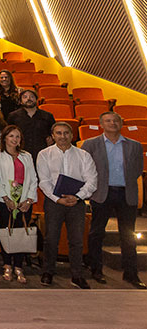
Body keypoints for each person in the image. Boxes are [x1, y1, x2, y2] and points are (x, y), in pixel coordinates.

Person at [83, 111, 146, 289]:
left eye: (115, 120)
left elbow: (137, 169)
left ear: (121, 123)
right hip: (102, 192)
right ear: (101, 124)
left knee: (128, 235)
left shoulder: (134, 145)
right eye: (108, 121)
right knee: (97, 233)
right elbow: (85, 168)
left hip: (126, 193)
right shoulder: (91, 144)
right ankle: (96, 269)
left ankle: (131, 274)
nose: (112, 123)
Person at [37, 122, 98, 289]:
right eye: (58, 133)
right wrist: (58, 199)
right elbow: (44, 181)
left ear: (72, 136)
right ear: (53, 136)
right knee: (51, 239)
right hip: (54, 202)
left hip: (77, 203)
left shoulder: (83, 155)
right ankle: (48, 272)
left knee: (77, 241)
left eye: (66, 133)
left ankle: (77, 275)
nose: (62, 136)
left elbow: (92, 180)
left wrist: (77, 197)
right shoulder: (44, 154)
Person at [0, 125, 37, 284]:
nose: (14, 139)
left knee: (20, 233)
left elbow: (33, 179)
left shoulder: (27, 156)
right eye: (11, 136)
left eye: (17, 136)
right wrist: (6, 199)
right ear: (4, 138)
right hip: (4, 201)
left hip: (24, 202)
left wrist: (29, 200)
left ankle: (19, 265)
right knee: (7, 232)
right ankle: (7, 265)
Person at [7, 88, 55, 160]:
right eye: (25, 97)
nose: (29, 99)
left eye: (32, 96)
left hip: (43, 154)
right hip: (20, 153)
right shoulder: (13, 116)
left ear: (36, 100)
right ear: (20, 101)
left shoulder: (47, 116)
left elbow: (53, 134)